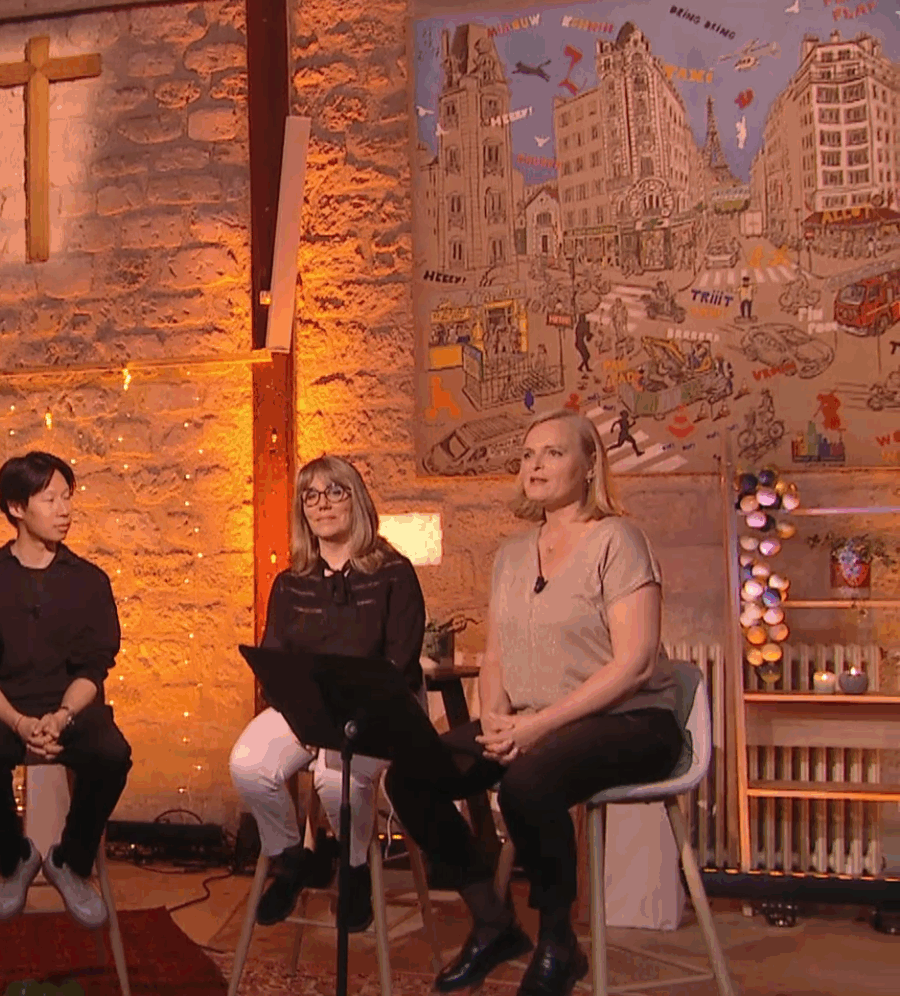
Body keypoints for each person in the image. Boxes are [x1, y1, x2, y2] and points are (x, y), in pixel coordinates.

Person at [384, 409, 682, 996]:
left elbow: (636, 663)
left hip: (632, 720)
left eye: (553, 453)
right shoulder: (513, 554)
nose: (535, 465)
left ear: (589, 465)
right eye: (527, 455)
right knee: (411, 776)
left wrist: (536, 727)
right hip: (535, 722)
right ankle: (493, 921)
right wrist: (496, 720)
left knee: (528, 782)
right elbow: (497, 653)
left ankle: (558, 943)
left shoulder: (618, 540)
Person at [229, 455, 425, 932]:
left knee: (334, 775)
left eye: (335, 491)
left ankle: (354, 870)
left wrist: (339, 725)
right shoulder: (291, 583)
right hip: (309, 712)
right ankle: (291, 859)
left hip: (377, 711)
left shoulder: (394, 573)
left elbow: (400, 662)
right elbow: (276, 663)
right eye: (311, 495)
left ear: (357, 500)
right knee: (249, 763)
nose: (322, 504)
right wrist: (307, 717)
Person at [0, 451, 132, 929]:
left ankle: (71, 860)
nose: (64, 510)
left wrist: (62, 716)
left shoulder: (90, 581)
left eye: (68, 498)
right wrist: (19, 722)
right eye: (50, 499)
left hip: (70, 706)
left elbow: (94, 668)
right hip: (3, 708)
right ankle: (14, 856)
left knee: (112, 755)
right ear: (16, 507)